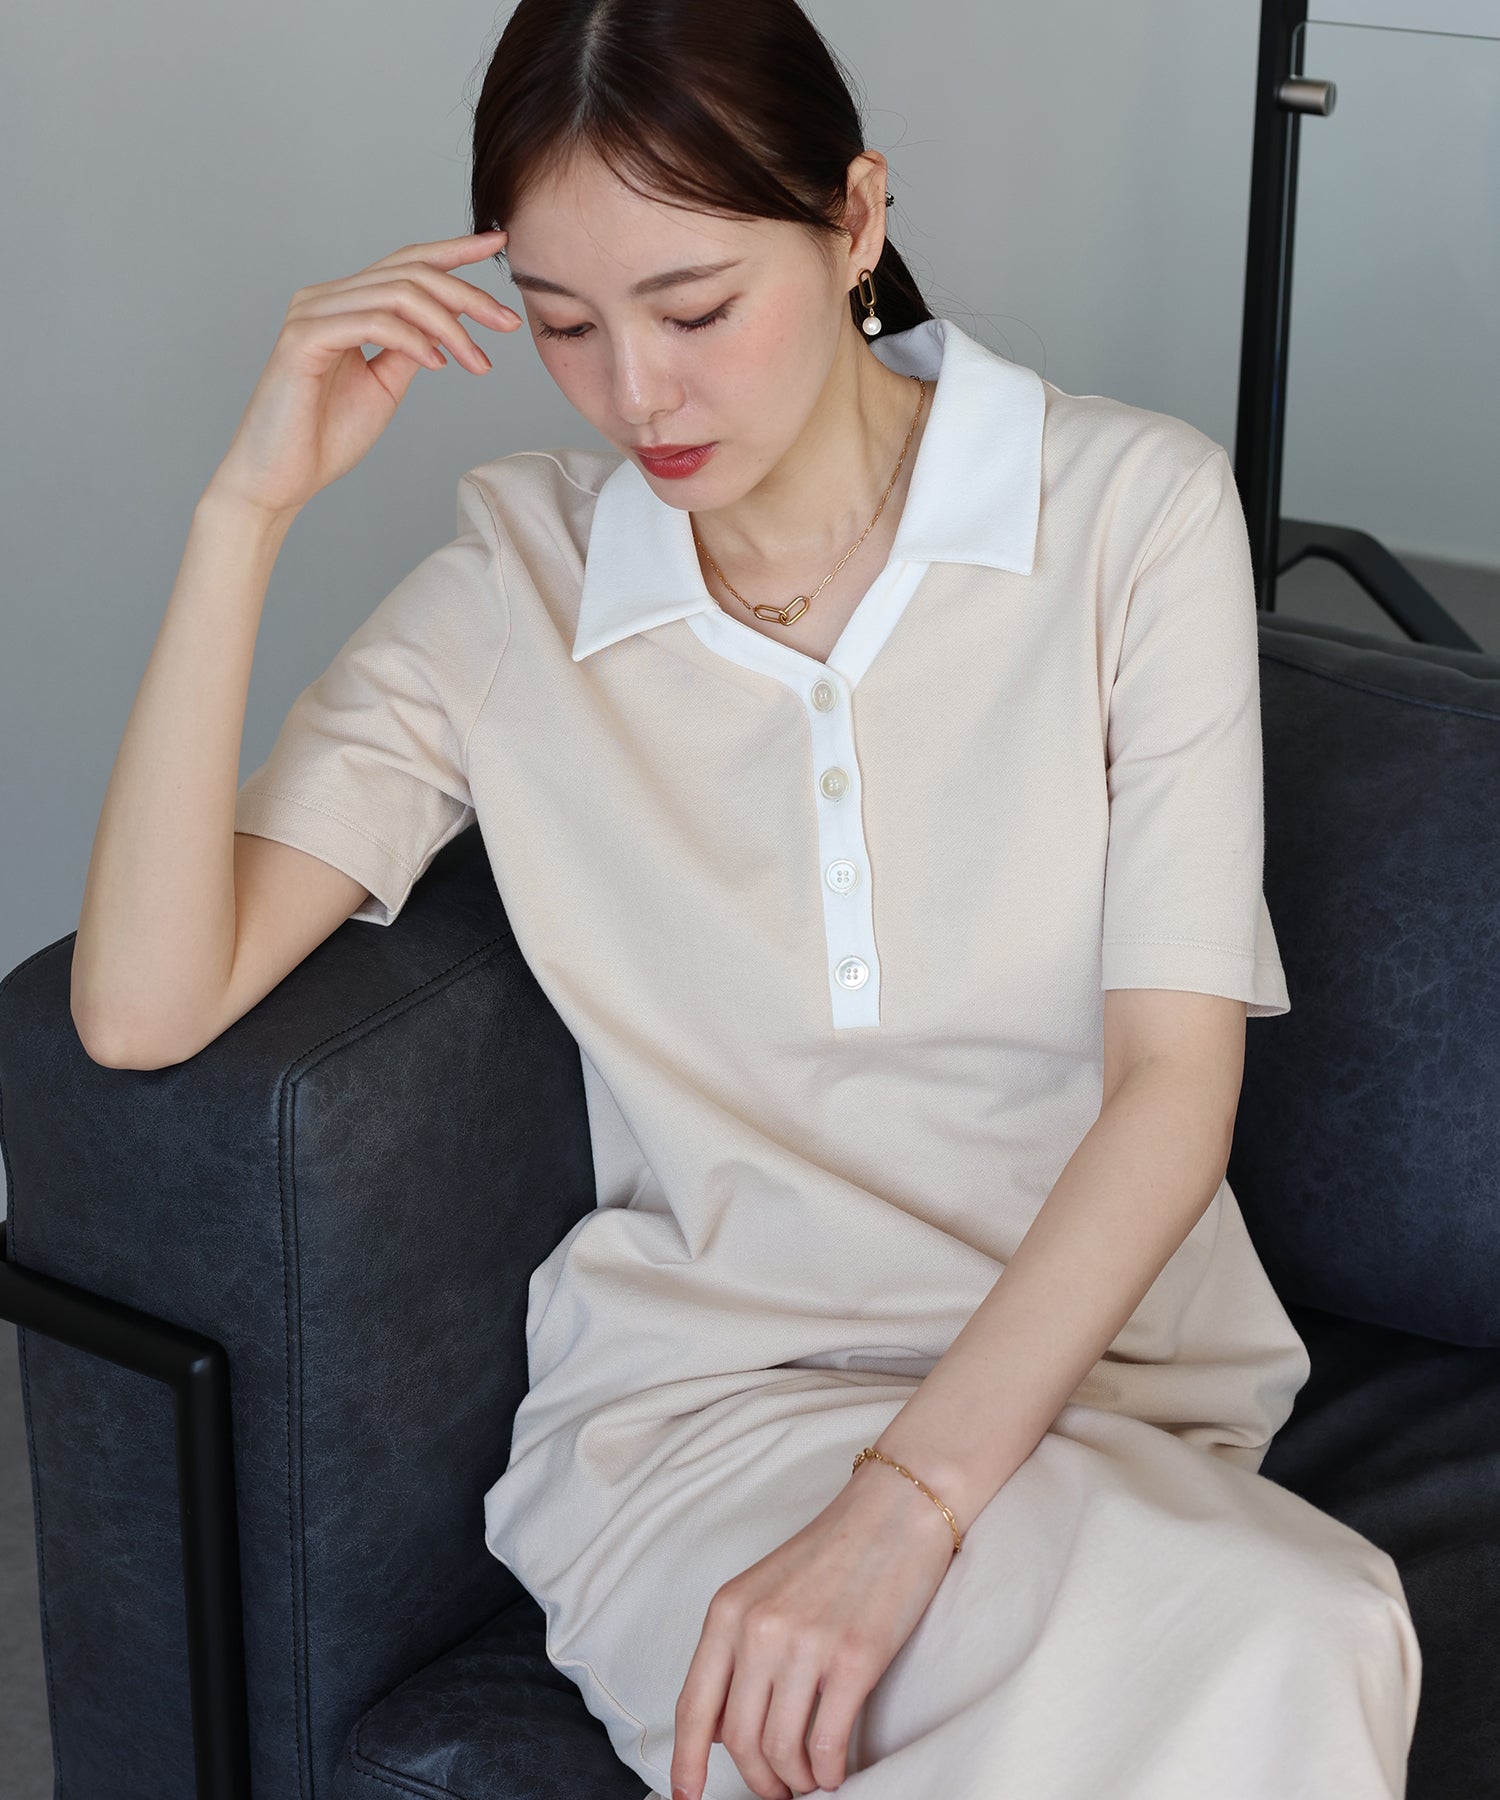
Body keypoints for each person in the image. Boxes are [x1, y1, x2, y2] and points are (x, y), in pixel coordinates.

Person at [70, 1, 1422, 1796]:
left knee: (1306, 1634)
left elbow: (1176, 1085)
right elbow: (140, 1006)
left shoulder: (1127, 513)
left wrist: (902, 1510)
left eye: (695, 308)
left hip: (1101, 1395)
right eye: (565, 324)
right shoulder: (512, 595)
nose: (637, 394)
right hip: (710, 1428)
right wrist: (243, 512)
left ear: (855, 219)